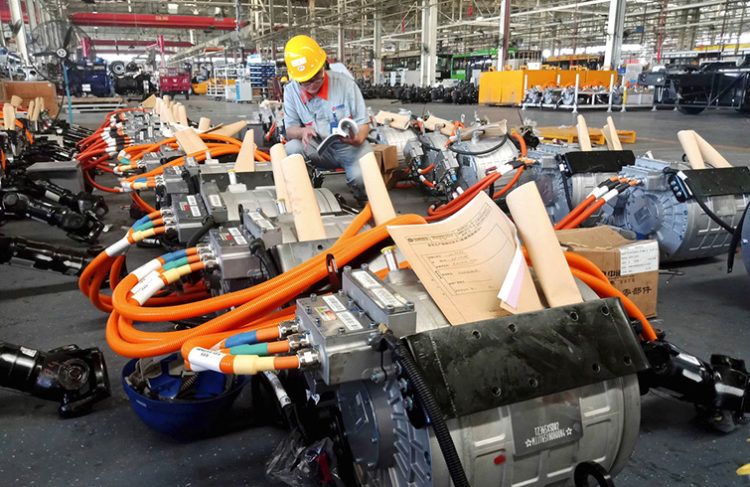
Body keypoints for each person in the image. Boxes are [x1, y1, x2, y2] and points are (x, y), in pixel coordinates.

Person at [282, 35, 371, 202]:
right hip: (317, 148)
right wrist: (302, 131)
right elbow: (289, 130)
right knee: (292, 149)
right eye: (305, 83)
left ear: (323, 67)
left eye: (316, 79)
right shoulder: (291, 91)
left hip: (349, 147)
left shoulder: (346, 85)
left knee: (363, 177)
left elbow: (364, 124)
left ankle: (363, 199)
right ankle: (306, 198)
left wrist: (358, 138)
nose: (312, 86)